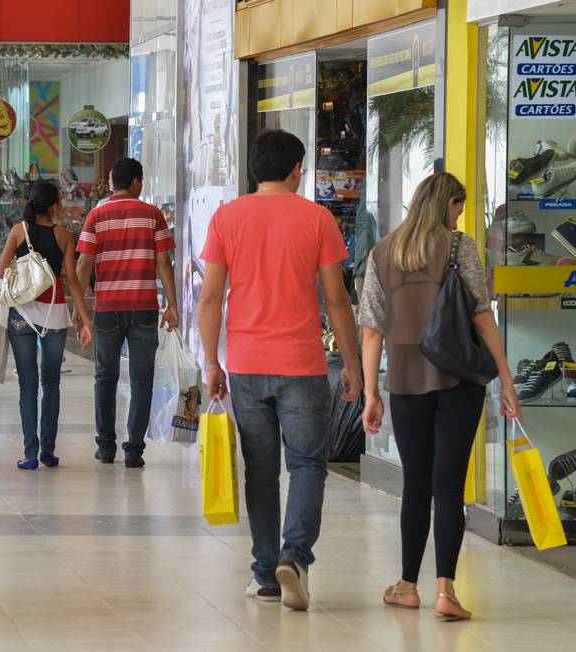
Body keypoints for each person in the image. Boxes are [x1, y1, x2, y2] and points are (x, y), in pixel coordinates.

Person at [197, 129, 361, 611]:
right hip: (304, 366)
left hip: (246, 365)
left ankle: (267, 574)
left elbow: (210, 299)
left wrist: (211, 361)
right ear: (295, 169)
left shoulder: (226, 218)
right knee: (309, 465)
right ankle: (295, 558)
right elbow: (336, 299)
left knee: (262, 472)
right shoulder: (317, 218)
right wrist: (351, 363)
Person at [359, 172, 521, 622]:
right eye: (458, 208)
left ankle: (408, 586)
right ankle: (446, 591)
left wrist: (371, 393)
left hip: (406, 381)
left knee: (416, 484)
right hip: (459, 378)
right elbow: (482, 316)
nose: (460, 217)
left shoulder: (382, 252)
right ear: (447, 203)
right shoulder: (459, 246)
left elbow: (371, 328)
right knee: (448, 485)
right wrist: (505, 379)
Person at [75, 158, 179, 469]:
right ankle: (134, 449)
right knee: (141, 380)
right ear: (136, 182)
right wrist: (172, 305)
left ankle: (106, 447)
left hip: (107, 308)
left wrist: (79, 309)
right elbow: (163, 264)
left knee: (105, 377)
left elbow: (83, 266)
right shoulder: (152, 215)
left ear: (111, 181)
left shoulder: (96, 216)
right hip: (144, 307)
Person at [0, 182, 92, 470]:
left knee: (28, 384)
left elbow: (1, 271)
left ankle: (30, 454)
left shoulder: (17, 231)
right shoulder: (64, 236)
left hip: (22, 314)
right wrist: (85, 319)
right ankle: (48, 450)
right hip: (54, 313)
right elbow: (72, 280)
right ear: (53, 206)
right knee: (51, 382)